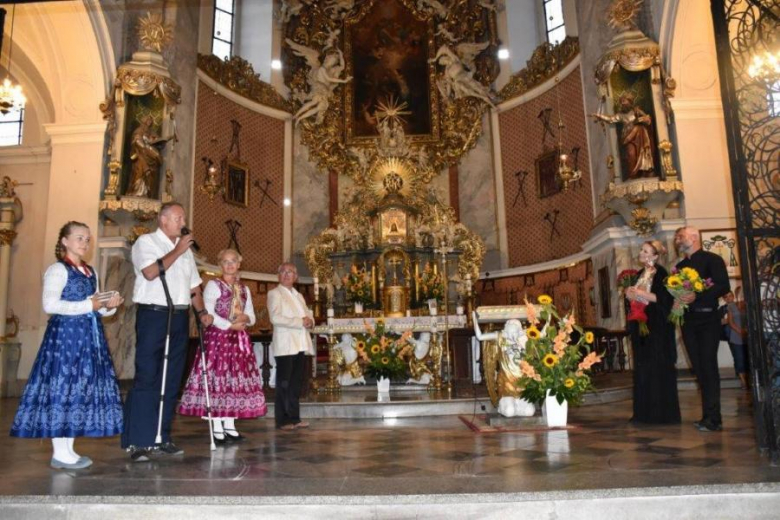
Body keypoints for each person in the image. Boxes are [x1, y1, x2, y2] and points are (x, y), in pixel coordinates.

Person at [10, 222, 124, 469]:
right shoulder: (57, 270)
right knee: (63, 389)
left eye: (87, 238)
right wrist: (89, 306)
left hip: (87, 337)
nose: (85, 242)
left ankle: (68, 451)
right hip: (65, 338)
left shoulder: (90, 270)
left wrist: (110, 304)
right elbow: (50, 305)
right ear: (64, 241)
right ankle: (60, 453)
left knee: (78, 390)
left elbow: (97, 307)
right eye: (79, 238)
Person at [121, 202, 213, 461]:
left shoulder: (185, 252)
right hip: (154, 315)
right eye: (178, 217)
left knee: (171, 378)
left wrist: (202, 313)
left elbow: (194, 287)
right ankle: (139, 441)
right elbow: (150, 272)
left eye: (183, 217)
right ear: (163, 220)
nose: (183, 222)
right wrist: (178, 249)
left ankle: (162, 436)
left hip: (180, 316)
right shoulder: (146, 242)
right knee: (148, 375)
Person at [178, 249, 267, 443]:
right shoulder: (213, 285)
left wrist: (245, 318)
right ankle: (217, 426)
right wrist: (230, 325)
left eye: (233, 261)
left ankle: (230, 425)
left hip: (239, 341)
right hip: (219, 340)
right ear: (220, 264)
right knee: (219, 381)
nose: (229, 265)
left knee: (234, 382)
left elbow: (251, 315)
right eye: (225, 262)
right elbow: (209, 311)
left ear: (239, 264)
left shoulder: (244, 289)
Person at [674, 226, 730, 432]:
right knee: (698, 367)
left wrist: (698, 295)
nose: (677, 240)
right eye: (677, 237)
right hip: (688, 322)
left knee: (708, 366)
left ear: (694, 237)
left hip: (707, 319)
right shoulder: (680, 266)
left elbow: (724, 286)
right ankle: (707, 415)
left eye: (680, 236)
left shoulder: (712, 259)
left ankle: (714, 418)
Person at [625, 240, 681, 424]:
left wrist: (639, 294)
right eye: (641, 249)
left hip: (657, 329)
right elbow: (635, 301)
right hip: (642, 329)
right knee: (643, 369)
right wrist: (630, 294)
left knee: (657, 368)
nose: (641, 252)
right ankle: (643, 413)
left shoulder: (662, 273)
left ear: (655, 256)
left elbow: (664, 299)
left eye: (645, 250)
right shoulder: (640, 274)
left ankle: (660, 414)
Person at [267, 262, 314, 431]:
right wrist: (300, 322)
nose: (287, 275)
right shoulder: (275, 293)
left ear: (296, 277)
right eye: (283, 272)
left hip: (300, 343)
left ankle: (295, 418)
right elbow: (275, 318)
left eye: (291, 272)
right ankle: (283, 420)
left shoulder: (299, 296)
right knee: (284, 383)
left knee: (295, 383)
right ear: (279, 275)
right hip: (286, 345)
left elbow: (308, 315)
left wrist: (310, 321)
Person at [725, 288, 749, 389]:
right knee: (739, 358)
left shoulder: (746, 304)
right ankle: (743, 381)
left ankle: (749, 379)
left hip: (747, 336)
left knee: (747, 358)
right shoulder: (730, 306)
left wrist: (746, 331)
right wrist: (740, 331)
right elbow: (730, 322)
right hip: (735, 336)